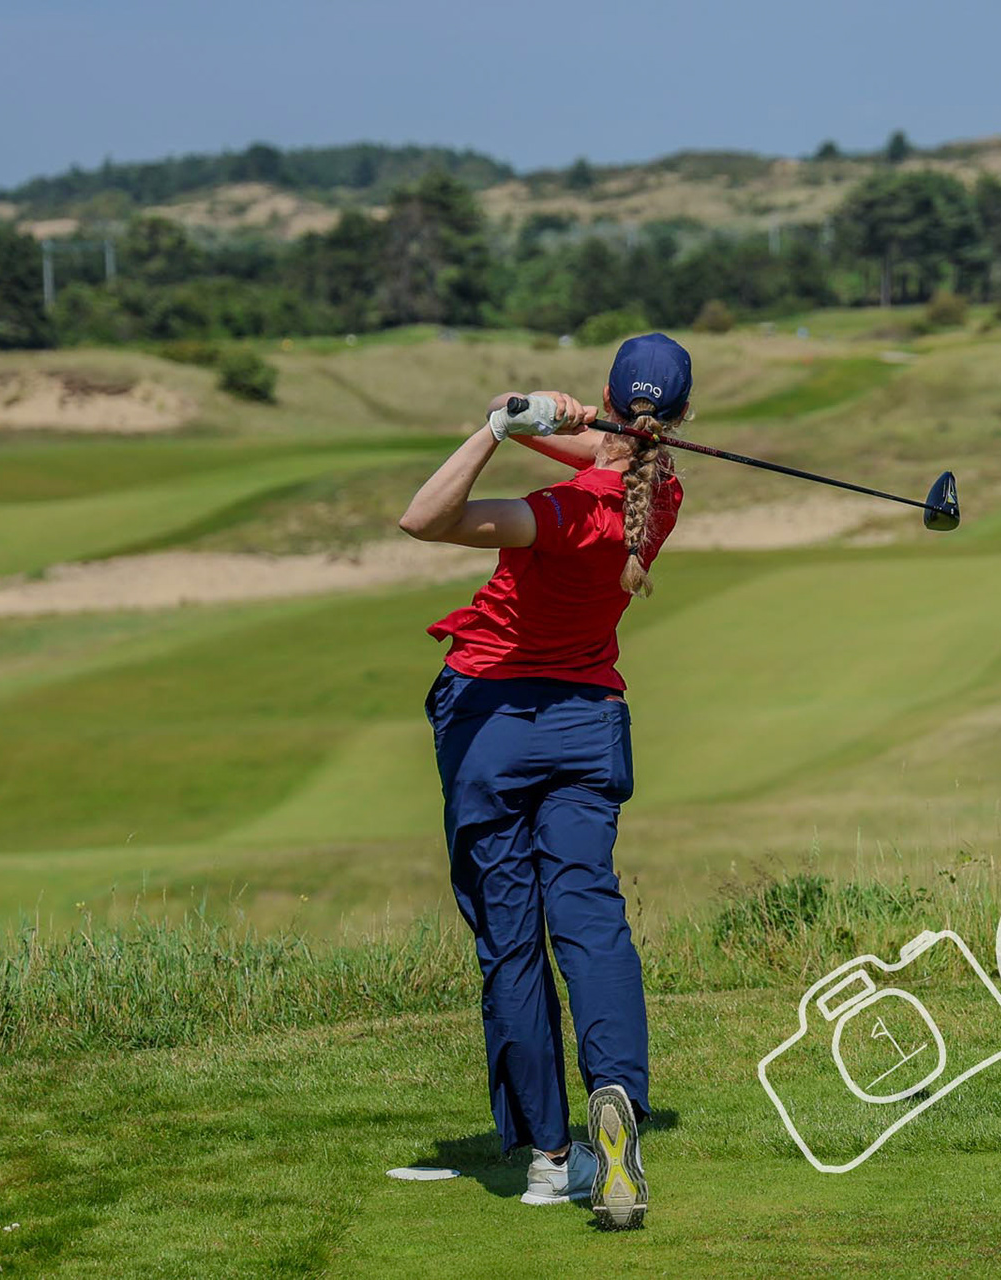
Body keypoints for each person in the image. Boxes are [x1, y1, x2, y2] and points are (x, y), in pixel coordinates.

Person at [397, 333, 691, 1229]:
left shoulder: (560, 514)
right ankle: (616, 1100)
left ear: (610, 394)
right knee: (590, 919)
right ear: (679, 418)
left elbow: (425, 518)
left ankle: (548, 1158)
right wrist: (539, 416)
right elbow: (609, 456)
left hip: (491, 723)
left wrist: (495, 429)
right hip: (588, 723)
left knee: (512, 939)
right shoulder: (660, 496)